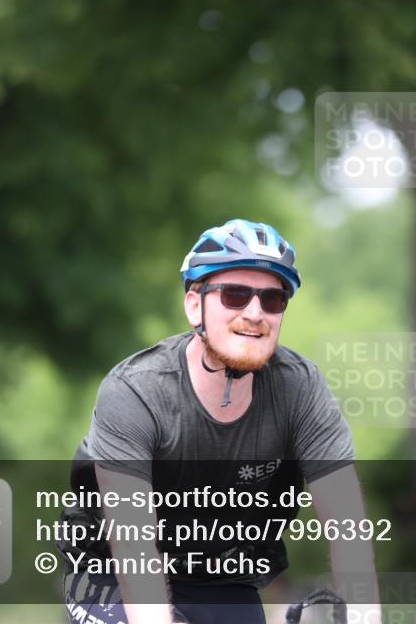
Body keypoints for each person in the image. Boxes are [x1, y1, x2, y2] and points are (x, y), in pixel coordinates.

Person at [56, 219, 380, 624]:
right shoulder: (136, 392)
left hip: (220, 573)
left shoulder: (301, 389)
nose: (255, 313)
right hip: (112, 572)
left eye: (273, 299)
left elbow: (348, 530)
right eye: (235, 295)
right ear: (195, 305)